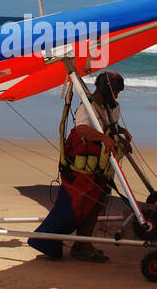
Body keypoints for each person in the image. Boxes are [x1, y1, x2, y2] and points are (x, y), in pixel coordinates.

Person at [28, 70, 128, 262]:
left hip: (99, 166)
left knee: (97, 204)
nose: (116, 96)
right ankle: (54, 240)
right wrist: (103, 138)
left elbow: (108, 126)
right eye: (115, 92)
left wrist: (122, 134)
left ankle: (83, 245)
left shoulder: (110, 107)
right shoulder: (88, 107)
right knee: (79, 205)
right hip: (82, 168)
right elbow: (82, 128)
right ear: (107, 89)